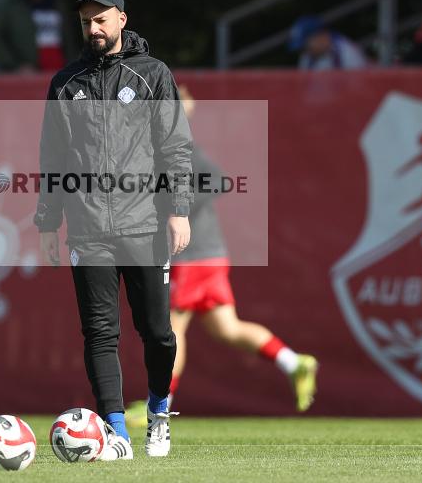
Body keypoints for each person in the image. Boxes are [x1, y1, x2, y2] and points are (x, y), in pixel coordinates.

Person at [34, 0, 193, 460]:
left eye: (102, 19)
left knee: (158, 332)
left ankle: (159, 411)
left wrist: (178, 210)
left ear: (122, 19)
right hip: (87, 228)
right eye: (86, 21)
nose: (94, 28)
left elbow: (174, 147)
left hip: (144, 225)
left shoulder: (152, 74)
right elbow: (53, 156)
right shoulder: (66, 82)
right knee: (100, 333)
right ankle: (116, 431)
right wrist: (47, 222)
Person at [127, 86, 318, 425]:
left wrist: (178, 209)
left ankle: (159, 405)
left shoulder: (180, 149)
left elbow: (217, 180)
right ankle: (293, 361)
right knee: (227, 329)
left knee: (171, 330)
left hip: (193, 255)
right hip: (208, 254)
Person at [289, 15, 367, 70]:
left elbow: (359, 89)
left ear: (321, 36)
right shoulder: (307, 56)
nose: (305, 51)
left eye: (306, 46)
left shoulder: (347, 53)